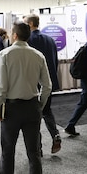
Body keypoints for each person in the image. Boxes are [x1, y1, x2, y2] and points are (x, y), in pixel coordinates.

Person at [0, 22, 51, 174]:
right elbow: (47, 86)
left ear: (14, 35)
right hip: (32, 106)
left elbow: (0, 88)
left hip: (11, 108)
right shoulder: (38, 55)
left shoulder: (5, 54)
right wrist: (39, 104)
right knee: (34, 154)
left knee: (8, 148)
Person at [25, 14, 62, 154]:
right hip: (49, 81)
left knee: (34, 116)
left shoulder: (28, 40)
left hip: (33, 83)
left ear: (30, 24)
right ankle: (55, 134)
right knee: (46, 110)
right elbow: (55, 61)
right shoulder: (50, 39)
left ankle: (38, 147)